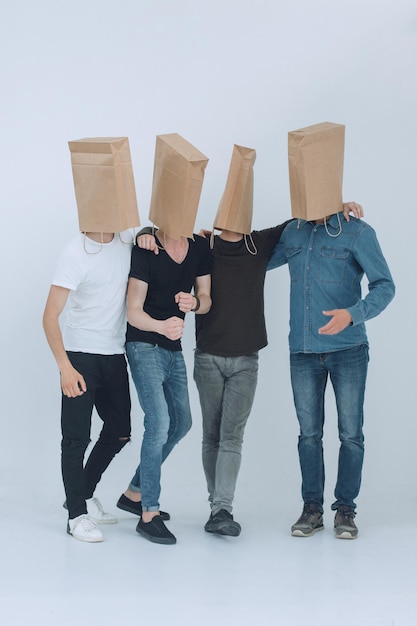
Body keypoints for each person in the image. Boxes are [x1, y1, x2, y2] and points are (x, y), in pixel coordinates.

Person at [268, 210, 395, 539]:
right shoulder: (293, 231)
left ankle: (345, 509)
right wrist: (220, 241)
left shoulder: (357, 231)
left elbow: (384, 285)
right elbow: (254, 262)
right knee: (309, 434)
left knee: (351, 433)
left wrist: (354, 315)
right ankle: (312, 509)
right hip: (303, 351)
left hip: (348, 350)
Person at [118, 229, 211, 545]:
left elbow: (207, 300)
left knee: (181, 423)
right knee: (158, 423)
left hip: (173, 349)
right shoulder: (147, 247)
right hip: (144, 344)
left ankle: (134, 492)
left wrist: (195, 302)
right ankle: (149, 514)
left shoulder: (198, 247)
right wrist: (161, 326)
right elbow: (133, 311)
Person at [43, 230, 133, 543]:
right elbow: (49, 316)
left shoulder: (128, 238)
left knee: (120, 431)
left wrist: (149, 234)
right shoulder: (75, 251)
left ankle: (81, 494)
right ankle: (76, 516)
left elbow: (155, 234)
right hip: (80, 355)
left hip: (114, 353)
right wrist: (65, 368)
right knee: (76, 439)